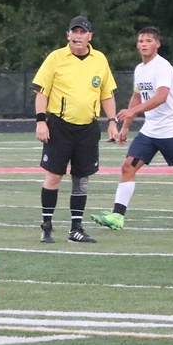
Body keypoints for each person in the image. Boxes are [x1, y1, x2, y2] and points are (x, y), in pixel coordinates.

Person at [91, 26, 173, 231]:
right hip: (150, 130)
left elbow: (161, 96)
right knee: (127, 167)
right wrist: (125, 127)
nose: (143, 44)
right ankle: (117, 216)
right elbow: (136, 96)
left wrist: (133, 112)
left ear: (157, 44)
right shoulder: (140, 69)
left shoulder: (163, 67)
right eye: (141, 41)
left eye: (148, 41)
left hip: (170, 130)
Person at [33, 16, 119, 244]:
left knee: (82, 178)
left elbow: (107, 94)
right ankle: (47, 226)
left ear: (90, 36)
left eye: (83, 32)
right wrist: (41, 120)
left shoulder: (99, 59)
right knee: (53, 176)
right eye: (75, 32)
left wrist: (112, 121)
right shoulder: (56, 58)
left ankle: (76, 228)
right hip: (60, 126)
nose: (78, 36)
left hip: (88, 128)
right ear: (68, 35)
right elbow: (42, 92)